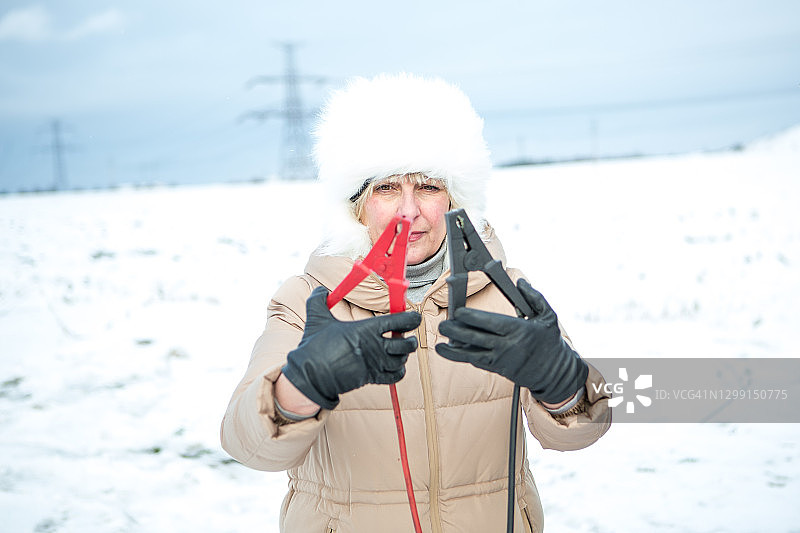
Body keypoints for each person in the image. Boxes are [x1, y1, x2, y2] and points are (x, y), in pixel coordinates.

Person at [220, 73, 612, 533]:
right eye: (386, 188)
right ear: (357, 206)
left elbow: (584, 429)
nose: (410, 211)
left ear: (455, 200)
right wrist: (303, 384)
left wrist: (562, 380)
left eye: (428, 187)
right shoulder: (309, 301)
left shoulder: (508, 291)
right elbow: (246, 443)